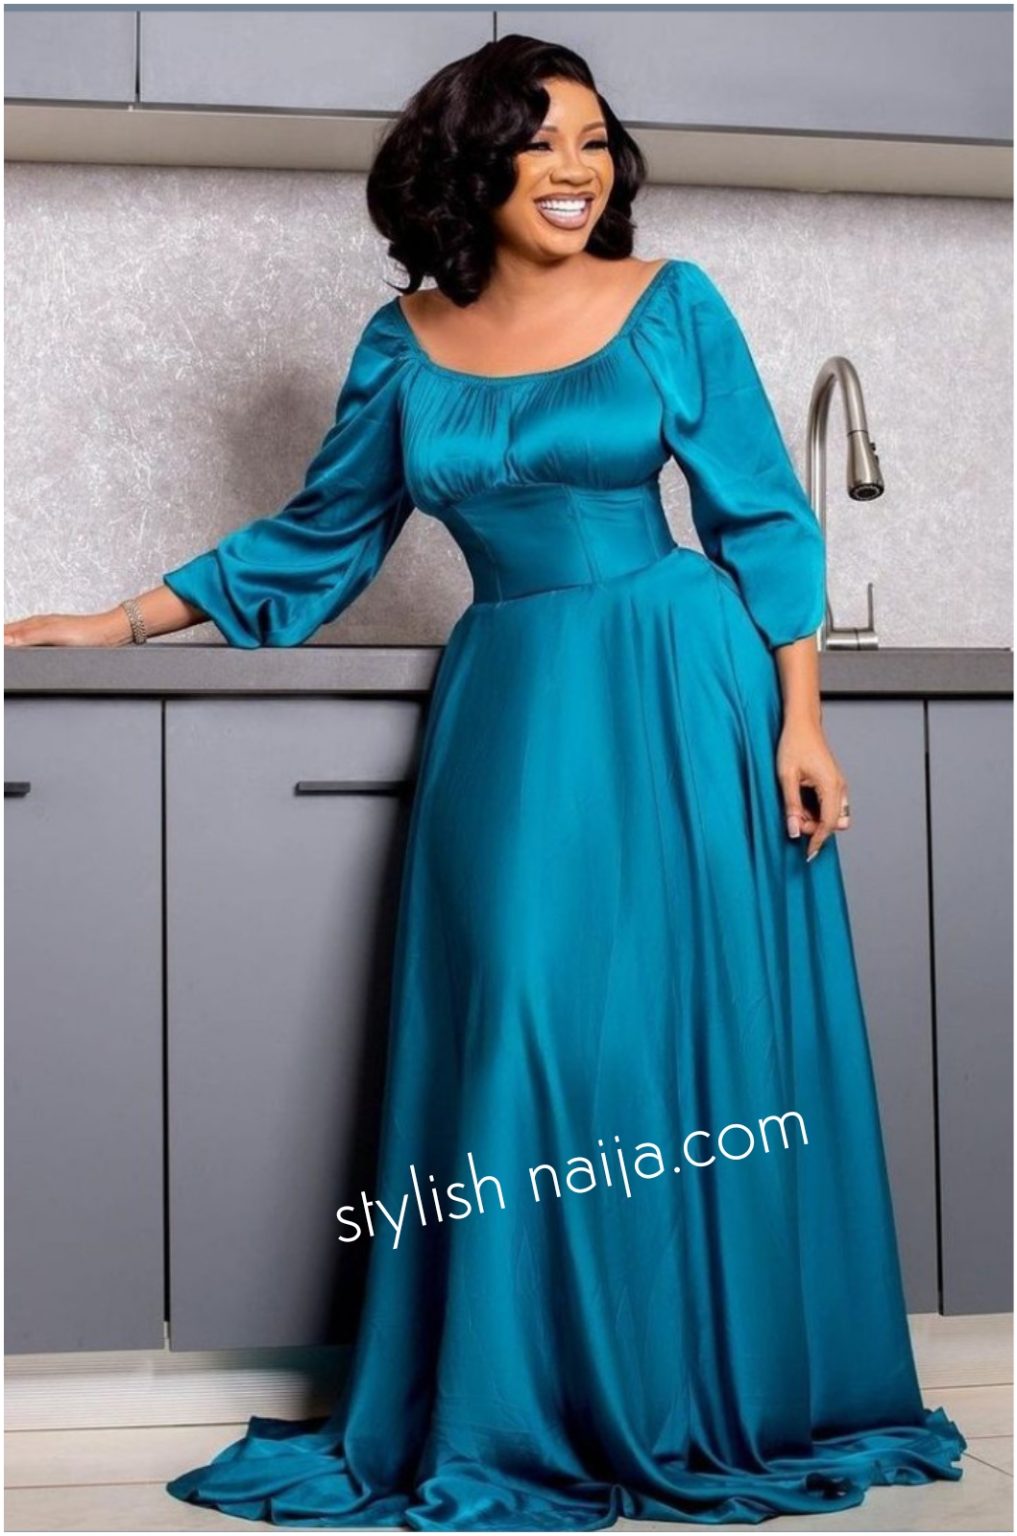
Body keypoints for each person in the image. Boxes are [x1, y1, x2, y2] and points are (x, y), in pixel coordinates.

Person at [5, 33, 967, 1534]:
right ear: (473, 165)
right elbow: (322, 532)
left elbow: (764, 518)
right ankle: (522, 1397)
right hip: (513, 695)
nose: (575, 168)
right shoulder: (404, 340)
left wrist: (802, 721)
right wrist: (118, 622)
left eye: (592, 139)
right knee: (521, 1021)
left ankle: (690, 1386)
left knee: (668, 1042)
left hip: (683, 681)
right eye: (538, 141)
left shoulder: (671, 302)